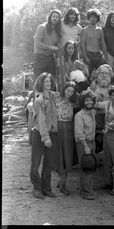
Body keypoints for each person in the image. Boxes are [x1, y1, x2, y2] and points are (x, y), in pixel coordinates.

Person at [30, 72, 58, 200]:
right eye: (46, 81)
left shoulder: (53, 96)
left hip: (52, 133)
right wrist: (45, 137)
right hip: (39, 134)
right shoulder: (39, 99)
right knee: (35, 163)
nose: (49, 84)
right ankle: (36, 189)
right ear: (41, 83)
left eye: (50, 81)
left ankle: (46, 189)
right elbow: (41, 119)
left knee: (48, 164)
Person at [53, 81, 78, 195]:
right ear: (64, 89)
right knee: (59, 155)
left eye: (72, 91)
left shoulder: (73, 101)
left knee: (67, 156)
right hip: (58, 127)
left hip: (69, 129)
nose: (70, 93)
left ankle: (62, 183)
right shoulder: (57, 97)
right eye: (68, 90)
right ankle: (61, 181)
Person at [74, 90, 97, 200]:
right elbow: (79, 133)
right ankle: (86, 192)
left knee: (90, 167)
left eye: (91, 100)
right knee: (87, 167)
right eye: (87, 100)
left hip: (91, 142)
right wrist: (86, 146)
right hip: (83, 143)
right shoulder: (79, 115)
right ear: (83, 102)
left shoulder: (92, 113)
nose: (89, 102)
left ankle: (87, 190)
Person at [88, 64, 113, 154]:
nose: (104, 76)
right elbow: (89, 103)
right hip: (95, 118)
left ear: (110, 76)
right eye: (101, 73)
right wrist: (106, 104)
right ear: (97, 75)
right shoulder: (92, 88)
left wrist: (98, 105)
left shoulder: (113, 89)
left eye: (106, 74)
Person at [33, 9, 62, 81]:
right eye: (53, 16)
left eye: (57, 17)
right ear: (50, 17)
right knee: (40, 82)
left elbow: (56, 46)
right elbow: (37, 44)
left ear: (59, 20)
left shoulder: (57, 31)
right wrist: (51, 47)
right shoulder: (41, 27)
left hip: (50, 58)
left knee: (51, 81)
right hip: (40, 58)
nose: (55, 18)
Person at [80, 9, 108, 77]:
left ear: (97, 19)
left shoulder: (100, 30)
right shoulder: (84, 30)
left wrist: (106, 56)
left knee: (101, 75)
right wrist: (86, 57)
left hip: (98, 55)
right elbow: (82, 45)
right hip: (88, 54)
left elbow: (103, 43)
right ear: (89, 18)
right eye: (91, 17)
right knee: (87, 76)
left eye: (95, 17)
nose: (93, 19)